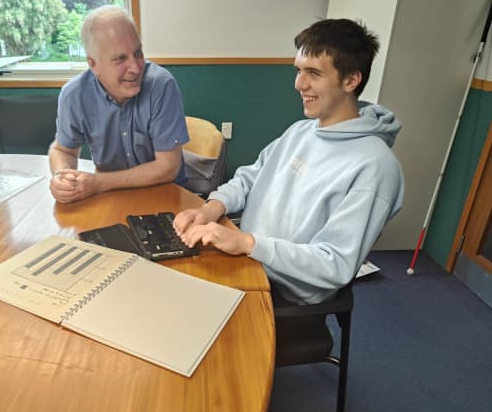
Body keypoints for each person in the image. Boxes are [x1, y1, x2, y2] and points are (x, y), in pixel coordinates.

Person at [173, 18, 405, 305]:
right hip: (249, 258)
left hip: (284, 292)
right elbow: (250, 177)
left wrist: (248, 244)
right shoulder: (301, 131)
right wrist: (212, 208)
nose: (299, 84)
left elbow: (334, 264)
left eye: (314, 73)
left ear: (351, 80)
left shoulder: (375, 166)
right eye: (298, 70)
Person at [49, 5, 189, 203]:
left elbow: (167, 167)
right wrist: (63, 176)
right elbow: (62, 150)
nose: (135, 67)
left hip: (166, 194)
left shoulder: (162, 84)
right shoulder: (74, 95)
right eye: (120, 58)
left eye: (138, 52)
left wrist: (97, 183)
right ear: (93, 64)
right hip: (110, 197)